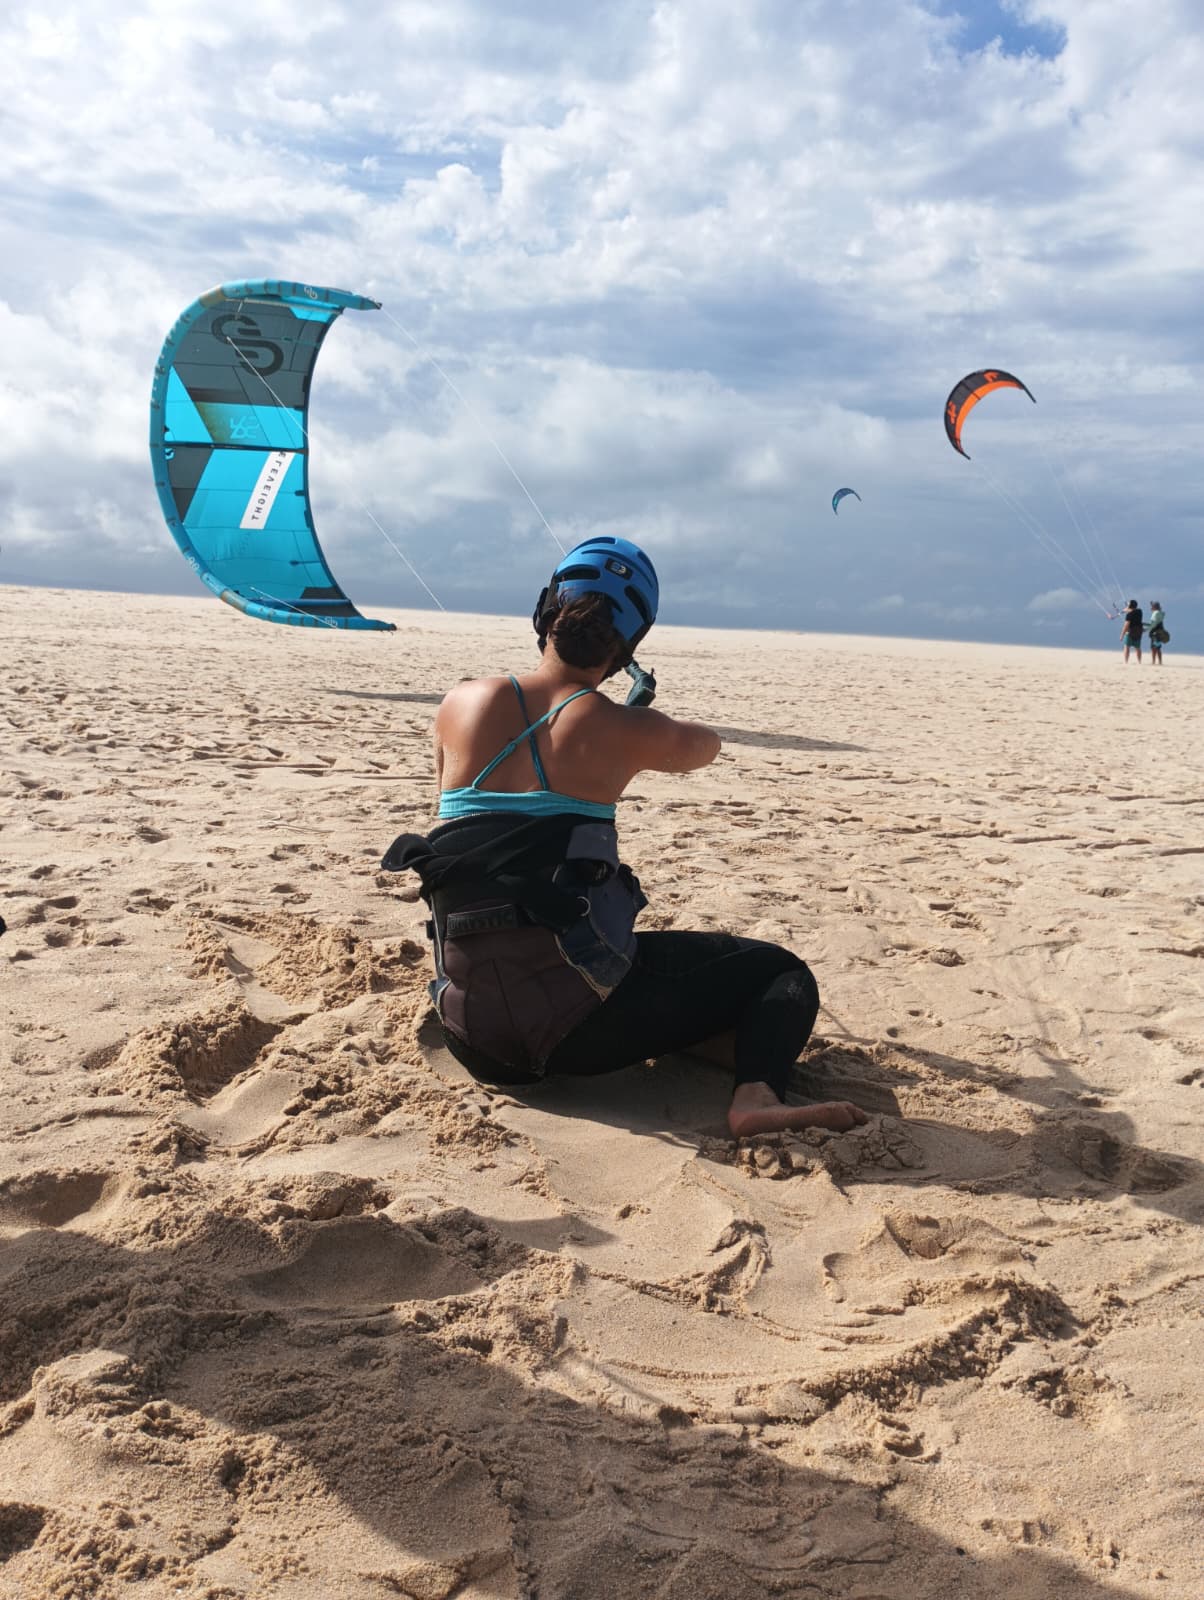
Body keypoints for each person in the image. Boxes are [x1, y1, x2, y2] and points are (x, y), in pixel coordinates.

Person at [383, 536, 868, 1139]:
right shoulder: (624, 726)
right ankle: (756, 1098)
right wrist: (633, 715)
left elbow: (463, 813)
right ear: (628, 647)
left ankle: (706, 1041)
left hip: (473, 1037)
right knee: (778, 973)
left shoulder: (461, 701)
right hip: (580, 1032)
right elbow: (705, 747)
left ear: (545, 611)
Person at [1148, 601, 1168, 666]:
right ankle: (1160, 661)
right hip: (1160, 632)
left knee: (1153, 648)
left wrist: (1145, 629)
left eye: (1152, 607)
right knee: (1158, 647)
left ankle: (1153, 662)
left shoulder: (1155, 613)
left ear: (1154, 607)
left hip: (1155, 632)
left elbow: (1153, 624)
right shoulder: (1161, 613)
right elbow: (1159, 613)